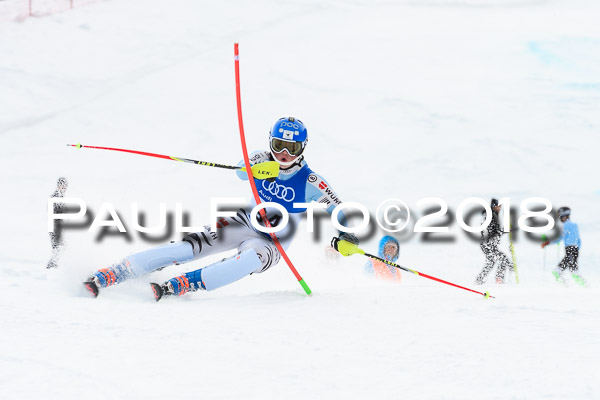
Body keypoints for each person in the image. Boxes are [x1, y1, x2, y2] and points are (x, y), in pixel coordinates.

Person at [83, 117, 357, 299]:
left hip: (273, 243)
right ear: (270, 143)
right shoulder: (262, 159)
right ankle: (117, 271)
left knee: (248, 261)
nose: (284, 154)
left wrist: (346, 236)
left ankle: (185, 283)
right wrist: (253, 169)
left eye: (292, 148)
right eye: (278, 145)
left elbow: (339, 209)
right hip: (242, 223)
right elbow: (240, 170)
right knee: (186, 248)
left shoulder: (310, 182)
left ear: (303, 149)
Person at [541, 207, 586, 286]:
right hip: (574, 249)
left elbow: (560, 238)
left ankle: (568, 286)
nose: (560, 219)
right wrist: (577, 249)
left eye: (560, 217)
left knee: (558, 271)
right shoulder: (574, 225)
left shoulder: (566, 226)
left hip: (570, 249)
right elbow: (579, 240)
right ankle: (582, 287)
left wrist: (548, 242)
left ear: (565, 216)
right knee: (573, 271)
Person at [475, 198, 514, 284]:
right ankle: (499, 279)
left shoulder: (491, 215)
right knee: (502, 259)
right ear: (494, 206)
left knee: (492, 261)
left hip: (488, 245)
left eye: (500, 206)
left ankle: (480, 280)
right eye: (498, 206)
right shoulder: (490, 216)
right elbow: (493, 232)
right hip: (488, 245)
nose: (500, 208)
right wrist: (505, 230)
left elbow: (495, 231)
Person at [47, 177, 68, 269]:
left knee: (62, 247)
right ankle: (52, 266)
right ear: (58, 186)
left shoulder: (62, 197)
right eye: (62, 186)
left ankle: (54, 265)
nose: (63, 188)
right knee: (57, 247)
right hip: (55, 227)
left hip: (60, 226)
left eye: (65, 186)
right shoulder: (54, 197)